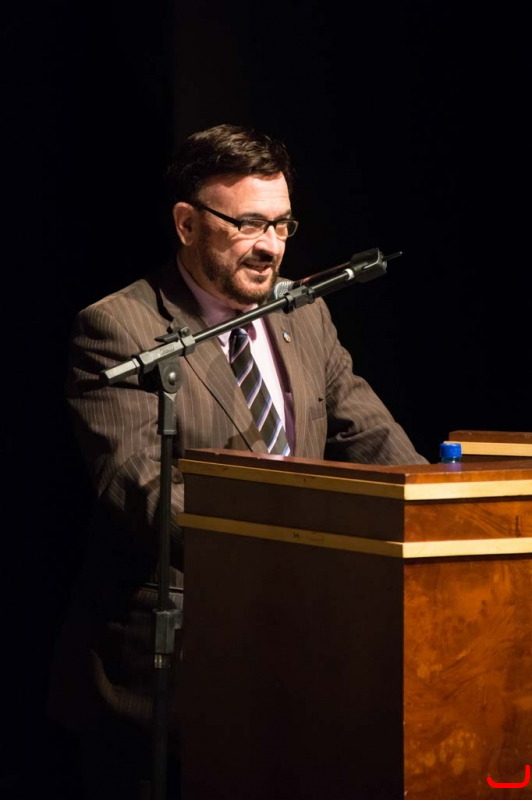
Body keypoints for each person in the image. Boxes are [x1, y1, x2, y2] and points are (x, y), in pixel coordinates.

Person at [47, 123, 428, 798]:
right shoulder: (118, 329)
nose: (270, 246)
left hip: (302, 659)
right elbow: (142, 490)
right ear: (187, 223)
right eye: (249, 224)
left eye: (282, 224)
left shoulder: (303, 313)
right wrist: (295, 552)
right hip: (173, 673)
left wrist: (438, 516)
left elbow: (371, 435)